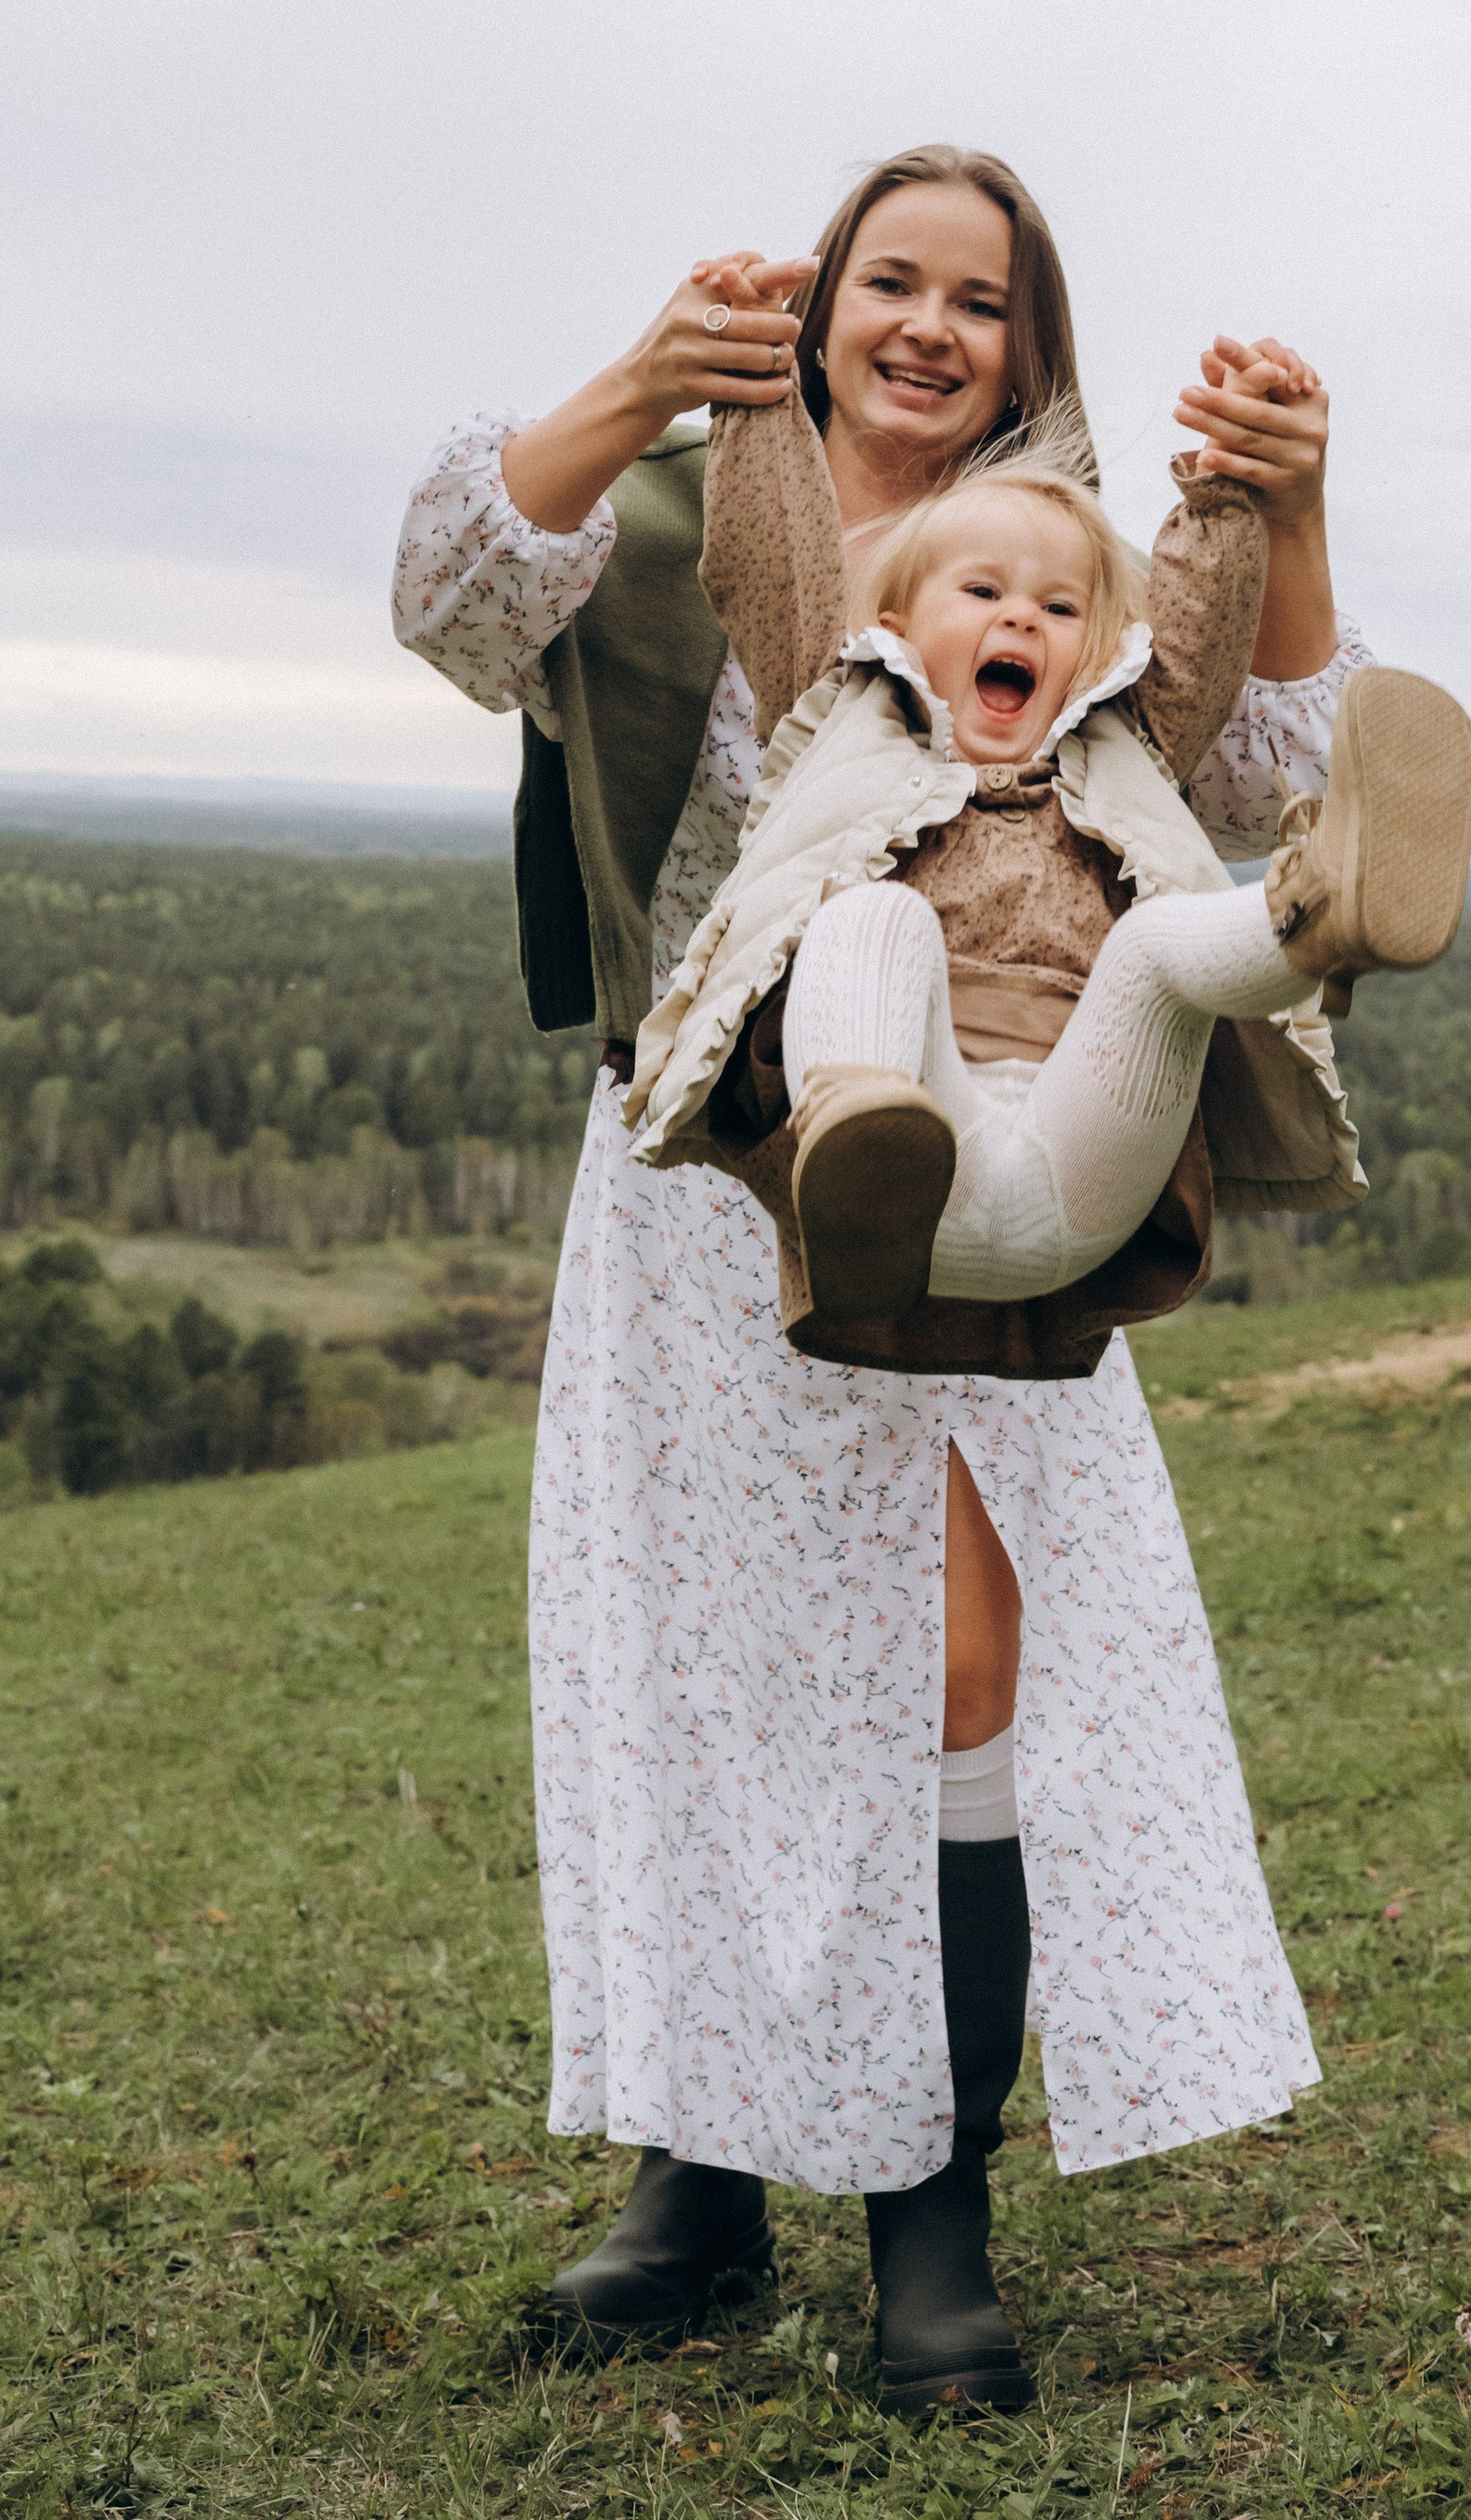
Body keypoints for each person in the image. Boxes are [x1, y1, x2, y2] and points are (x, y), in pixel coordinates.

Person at [391, 148, 1378, 2415]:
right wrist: (646, 373)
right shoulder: (672, 512)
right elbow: (450, 594)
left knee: (953, 1667)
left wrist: (1294, 508)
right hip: (705, 1167)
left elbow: (1280, 771)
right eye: (891, 280)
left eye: (981, 297)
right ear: (821, 303)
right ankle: (698, 2188)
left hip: (997, 1165)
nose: (931, 324)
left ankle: (932, 2226)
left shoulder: (1058, 556)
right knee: (703, 1678)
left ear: (1028, 344)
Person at [627, 408, 1471, 1368]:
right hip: (915, 1136)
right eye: (981, 589)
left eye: (1061, 609)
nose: (1022, 618)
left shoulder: (1127, 746)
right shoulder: (838, 714)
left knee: (1155, 946)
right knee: (872, 914)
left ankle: (1318, 913)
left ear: (1099, 649)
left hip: (1088, 1147)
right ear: (894, 626)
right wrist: (756, 394)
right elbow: (768, 560)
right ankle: (863, 1147)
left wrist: (1223, 490)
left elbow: (1200, 640)